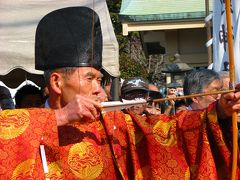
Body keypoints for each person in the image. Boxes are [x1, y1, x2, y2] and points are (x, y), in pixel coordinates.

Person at [1, 7, 240, 179]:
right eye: (89, 78)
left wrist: (220, 110)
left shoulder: (115, 125)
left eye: (100, 79)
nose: (98, 88)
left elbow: (169, 132)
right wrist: (61, 117)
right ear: (56, 82)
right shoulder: (24, 126)